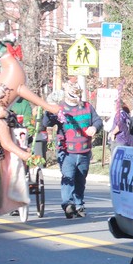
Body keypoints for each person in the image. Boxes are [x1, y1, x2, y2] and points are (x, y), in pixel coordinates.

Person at [42, 79, 103, 219]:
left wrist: (94, 127)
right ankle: (68, 204)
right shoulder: (60, 109)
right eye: (74, 95)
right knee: (68, 177)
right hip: (67, 151)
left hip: (84, 150)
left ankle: (79, 204)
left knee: (80, 180)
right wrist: (49, 110)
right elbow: (46, 123)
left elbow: (98, 121)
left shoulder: (87, 107)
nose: (78, 98)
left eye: (79, 95)